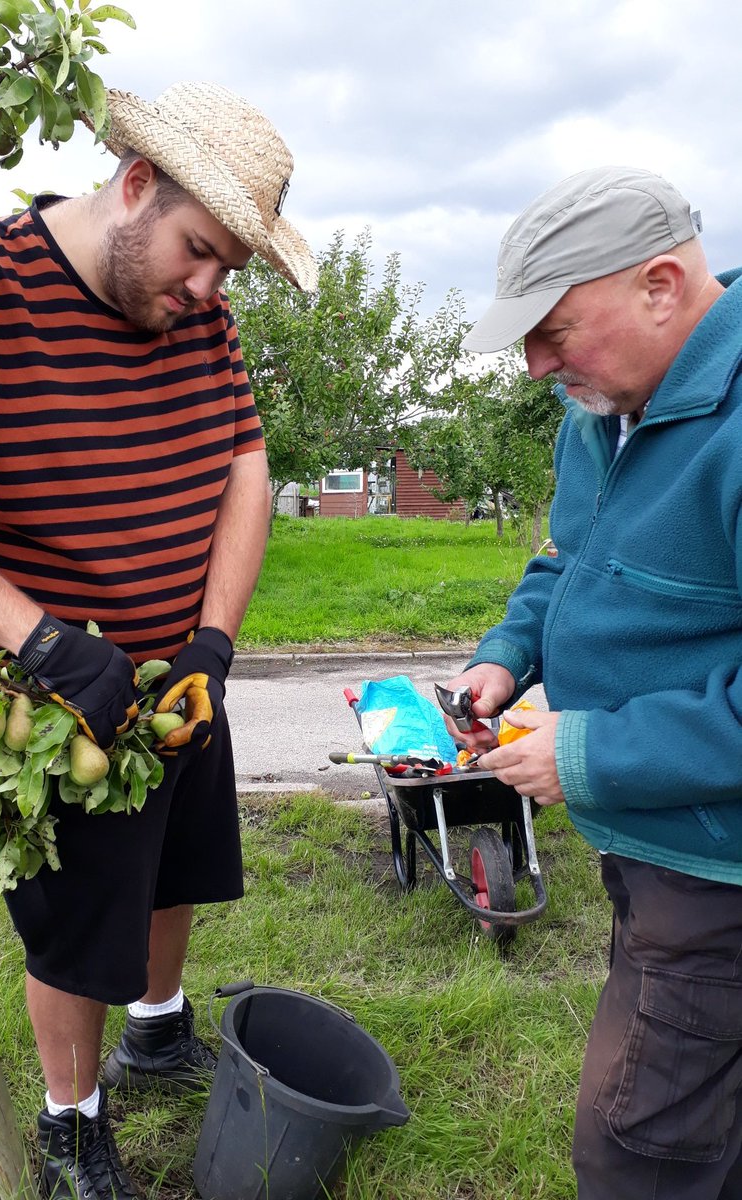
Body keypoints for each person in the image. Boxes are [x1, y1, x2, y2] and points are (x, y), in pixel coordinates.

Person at [0, 81, 316, 1199]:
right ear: (136, 184)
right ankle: (70, 1120)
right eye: (199, 252)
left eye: (228, 272)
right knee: (79, 917)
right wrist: (42, 641)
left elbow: (245, 466)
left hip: (172, 674)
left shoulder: (197, 308)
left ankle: (155, 1029)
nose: (206, 290)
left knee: (171, 871)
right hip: (44, 698)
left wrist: (213, 641)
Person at [448, 166, 742, 1200]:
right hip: (657, 840)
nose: (534, 366)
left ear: (661, 285)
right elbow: (567, 562)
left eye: (553, 329)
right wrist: (505, 655)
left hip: (720, 872)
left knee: (639, 1154)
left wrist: (584, 753)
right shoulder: (603, 412)